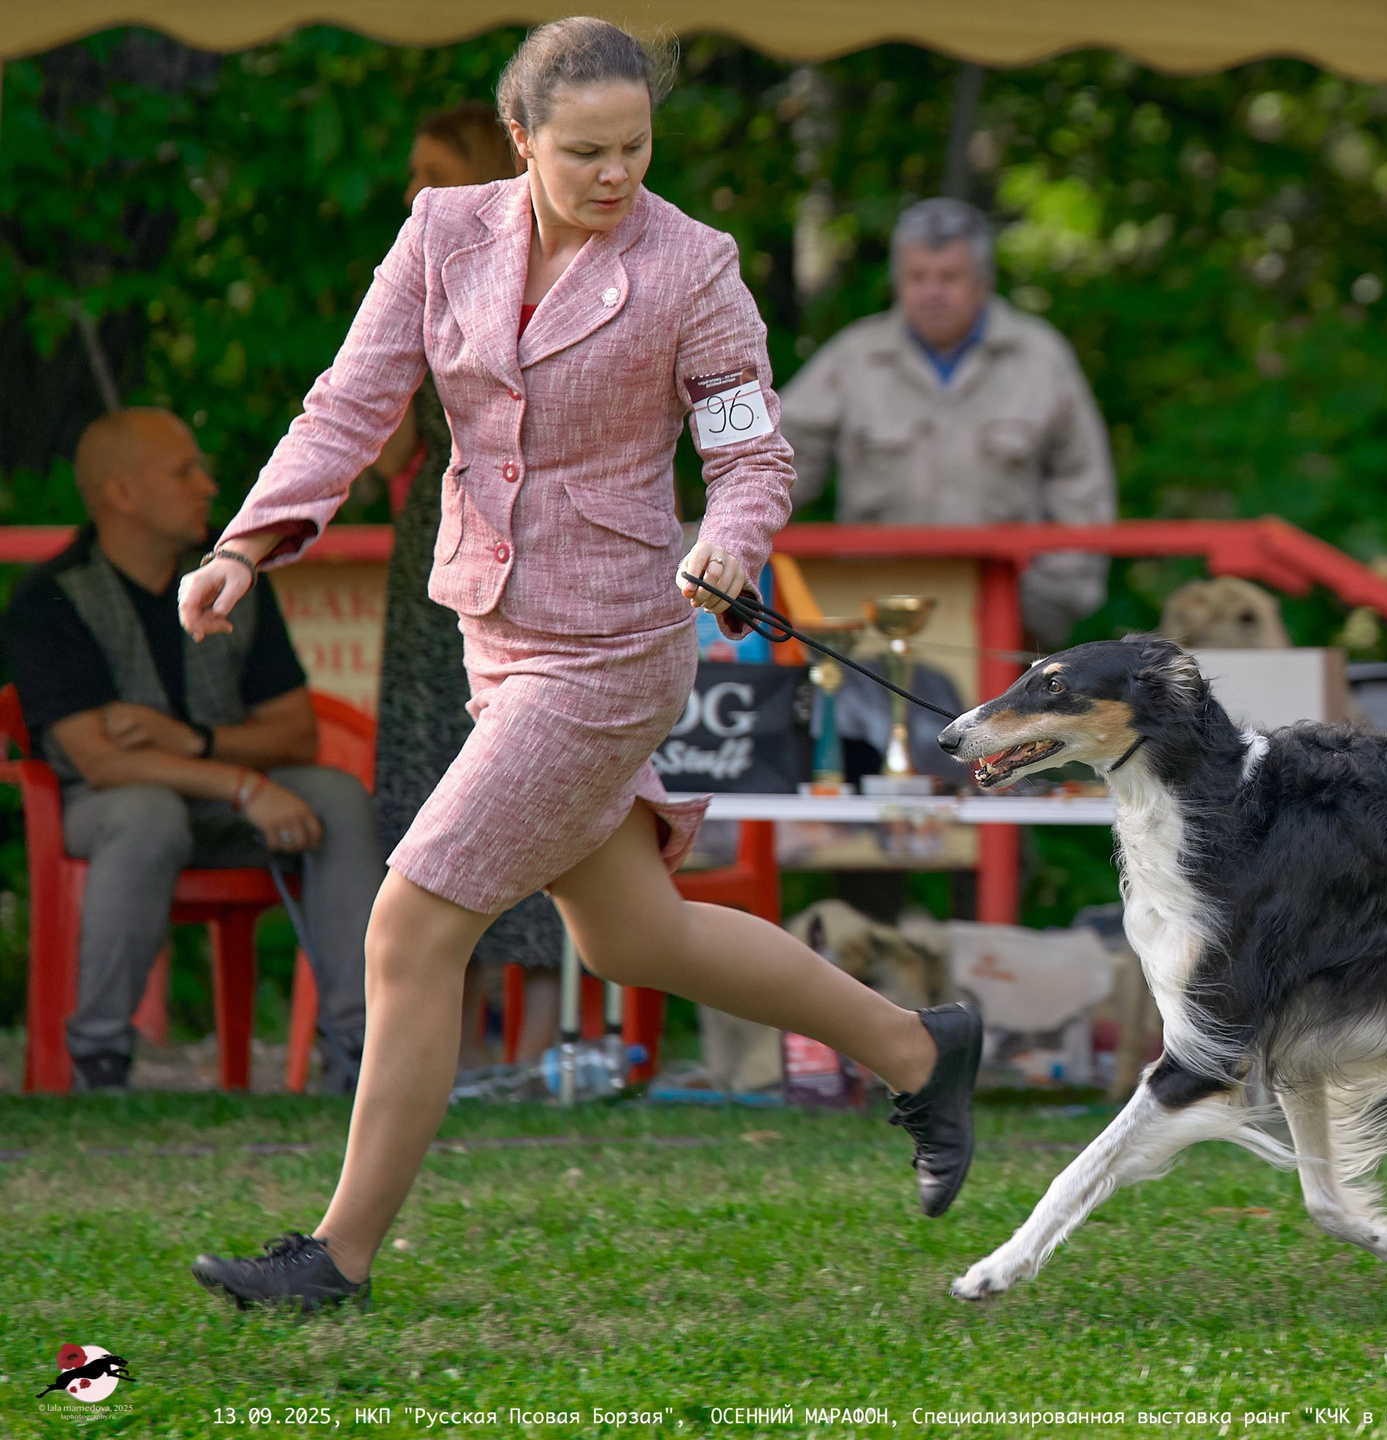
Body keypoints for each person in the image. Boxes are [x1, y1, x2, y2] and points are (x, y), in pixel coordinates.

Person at [180, 17, 982, 1312]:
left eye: (637, 146)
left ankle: (336, 1258)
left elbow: (752, 451)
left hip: (616, 644)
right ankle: (916, 1047)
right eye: (586, 151)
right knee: (631, 938)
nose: (617, 175)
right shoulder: (444, 234)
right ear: (520, 140)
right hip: (495, 633)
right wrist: (248, 544)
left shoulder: (695, 266)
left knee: (411, 919)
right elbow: (352, 397)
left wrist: (730, 540)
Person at [1, 409, 380, 1092]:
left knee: (340, 798)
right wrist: (240, 783)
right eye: (184, 471)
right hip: (101, 813)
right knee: (147, 812)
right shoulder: (51, 599)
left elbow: (297, 734)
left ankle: (357, 1056)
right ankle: (99, 1062)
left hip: (228, 801)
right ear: (121, 492)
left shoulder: (228, 578)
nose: (208, 486)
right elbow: (99, 762)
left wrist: (198, 745)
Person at [364, 101, 565, 1070]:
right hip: (433, 555)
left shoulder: (562, 273)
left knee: (522, 779)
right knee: (431, 782)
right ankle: (455, 1041)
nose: (413, 189)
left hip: (537, 546)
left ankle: (530, 1046)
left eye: (432, 167)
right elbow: (386, 448)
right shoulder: (426, 272)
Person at [779, 197, 1115, 651]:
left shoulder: (1039, 358)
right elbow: (778, 461)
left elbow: (1083, 486)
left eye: (949, 277)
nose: (932, 292)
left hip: (1007, 615)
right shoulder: (855, 358)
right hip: (875, 612)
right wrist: (733, 539)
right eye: (918, 277)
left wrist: (1052, 601)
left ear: (982, 281)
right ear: (898, 281)